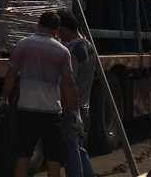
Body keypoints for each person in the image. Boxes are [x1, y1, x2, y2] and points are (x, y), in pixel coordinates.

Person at [0, 11, 85, 177]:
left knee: (23, 157)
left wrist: (4, 99)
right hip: (52, 113)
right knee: (53, 160)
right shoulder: (62, 51)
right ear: (57, 30)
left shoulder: (23, 45)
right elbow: (69, 83)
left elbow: (11, 74)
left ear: (38, 25)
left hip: (26, 110)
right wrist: (75, 112)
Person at [57, 9, 96, 177]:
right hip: (84, 104)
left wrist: (64, 107)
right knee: (78, 147)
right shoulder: (88, 45)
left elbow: (69, 82)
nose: (58, 35)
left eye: (59, 30)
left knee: (71, 149)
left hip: (72, 107)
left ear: (64, 29)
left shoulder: (71, 51)